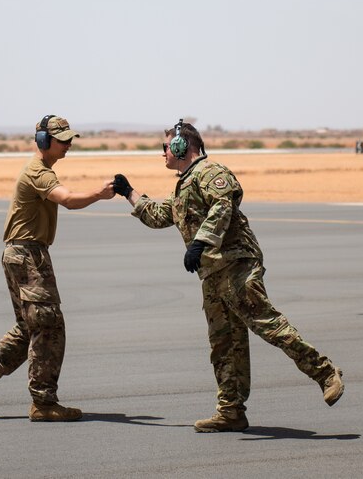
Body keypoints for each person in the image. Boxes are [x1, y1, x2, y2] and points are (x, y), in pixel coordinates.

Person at [112, 119, 344, 433]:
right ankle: (231, 411)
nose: (162, 153)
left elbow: (224, 204)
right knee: (224, 344)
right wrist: (128, 192)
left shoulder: (211, 173)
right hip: (212, 275)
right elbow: (158, 215)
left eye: (165, 147)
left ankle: (326, 372)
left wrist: (200, 241)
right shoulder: (183, 185)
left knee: (268, 325)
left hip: (236, 265)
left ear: (182, 146)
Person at [0, 115, 116, 422]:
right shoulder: (38, 173)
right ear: (44, 142)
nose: (68, 145)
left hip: (21, 253)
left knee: (30, 326)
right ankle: (43, 403)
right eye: (62, 140)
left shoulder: (41, 170)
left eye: (70, 139)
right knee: (49, 326)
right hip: (27, 254)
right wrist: (99, 194)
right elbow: (68, 199)